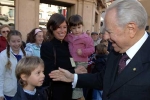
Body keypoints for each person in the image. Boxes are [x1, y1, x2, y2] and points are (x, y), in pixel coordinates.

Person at [49, 0, 150, 100]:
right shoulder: (115, 52)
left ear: (131, 29)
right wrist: (73, 77)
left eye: (109, 31)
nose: (105, 37)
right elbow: (102, 79)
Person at [40, 13, 86, 100]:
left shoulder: (67, 44)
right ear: (51, 28)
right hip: (56, 92)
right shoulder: (47, 46)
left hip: (70, 90)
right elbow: (49, 72)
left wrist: (79, 68)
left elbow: (71, 61)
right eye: (59, 27)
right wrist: (74, 71)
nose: (62, 30)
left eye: (64, 27)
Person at [65, 14, 94, 100]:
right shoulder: (69, 37)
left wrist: (83, 52)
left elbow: (92, 49)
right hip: (71, 61)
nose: (76, 30)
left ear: (82, 26)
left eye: (79, 27)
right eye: (74, 28)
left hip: (81, 62)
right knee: (71, 78)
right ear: (70, 28)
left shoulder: (86, 38)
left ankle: (78, 97)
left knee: (77, 80)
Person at [0, 30, 26, 100]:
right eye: (13, 41)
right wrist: (0, 94)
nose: (16, 44)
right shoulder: (3, 56)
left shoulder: (25, 54)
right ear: (8, 42)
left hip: (23, 91)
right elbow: (1, 76)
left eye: (18, 41)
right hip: (9, 93)